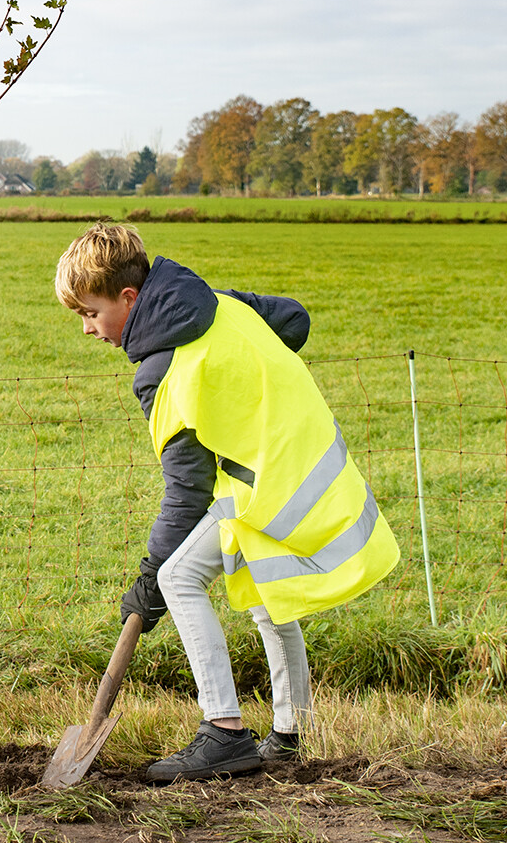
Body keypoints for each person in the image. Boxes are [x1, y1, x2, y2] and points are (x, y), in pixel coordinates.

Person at [54, 223, 398, 783]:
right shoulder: (218, 305)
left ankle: (223, 732)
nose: (88, 329)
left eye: (90, 313)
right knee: (267, 594)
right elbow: (293, 319)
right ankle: (289, 734)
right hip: (302, 464)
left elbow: (187, 490)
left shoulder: (162, 371)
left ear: (128, 298)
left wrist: (149, 577)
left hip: (268, 482)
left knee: (178, 578)